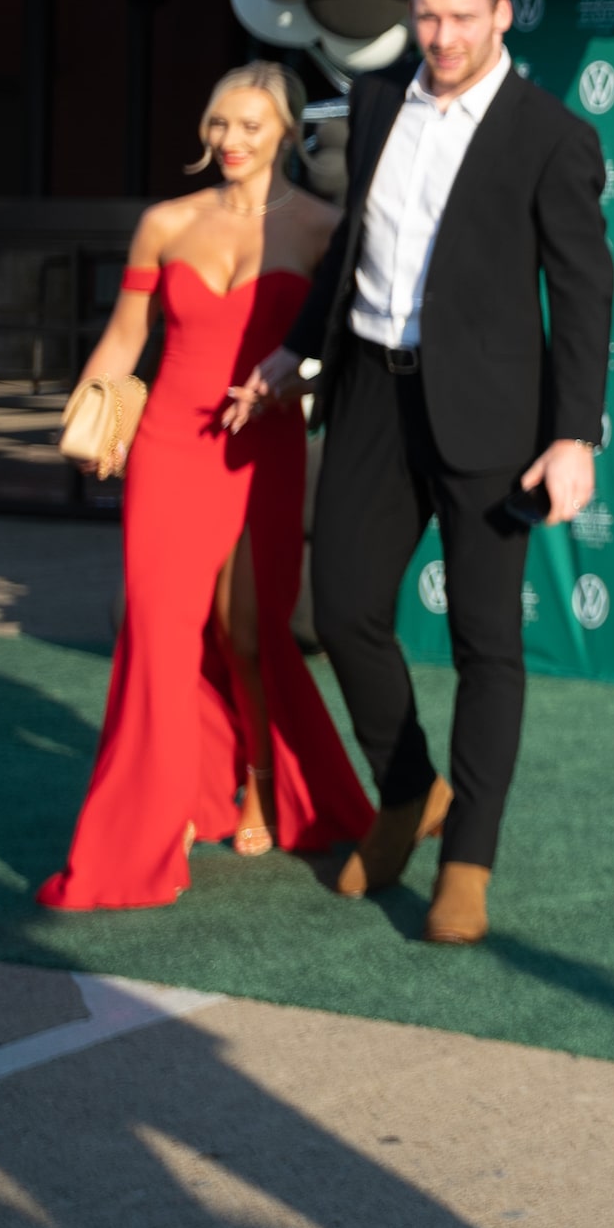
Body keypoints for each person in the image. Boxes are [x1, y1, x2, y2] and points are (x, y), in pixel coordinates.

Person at [232, 0, 612, 946]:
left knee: (487, 643)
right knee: (348, 607)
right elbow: (351, 246)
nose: (438, 37)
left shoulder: (549, 135)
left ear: (502, 16)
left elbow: (582, 296)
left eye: (458, 17)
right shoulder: (371, 105)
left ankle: (468, 860)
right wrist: (293, 354)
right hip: (367, 393)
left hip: (491, 423)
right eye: (425, 16)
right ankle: (407, 790)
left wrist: (574, 435)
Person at [38, 63, 376, 911]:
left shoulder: (324, 230)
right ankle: (158, 815)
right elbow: (124, 339)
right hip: (167, 450)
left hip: (264, 453)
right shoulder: (165, 222)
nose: (230, 142)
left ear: (290, 135)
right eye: (219, 124)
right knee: (156, 636)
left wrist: (295, 385)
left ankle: (259, 784)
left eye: (250, 127)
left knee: (251, 634)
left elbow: (338, 353)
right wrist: (87, 419)